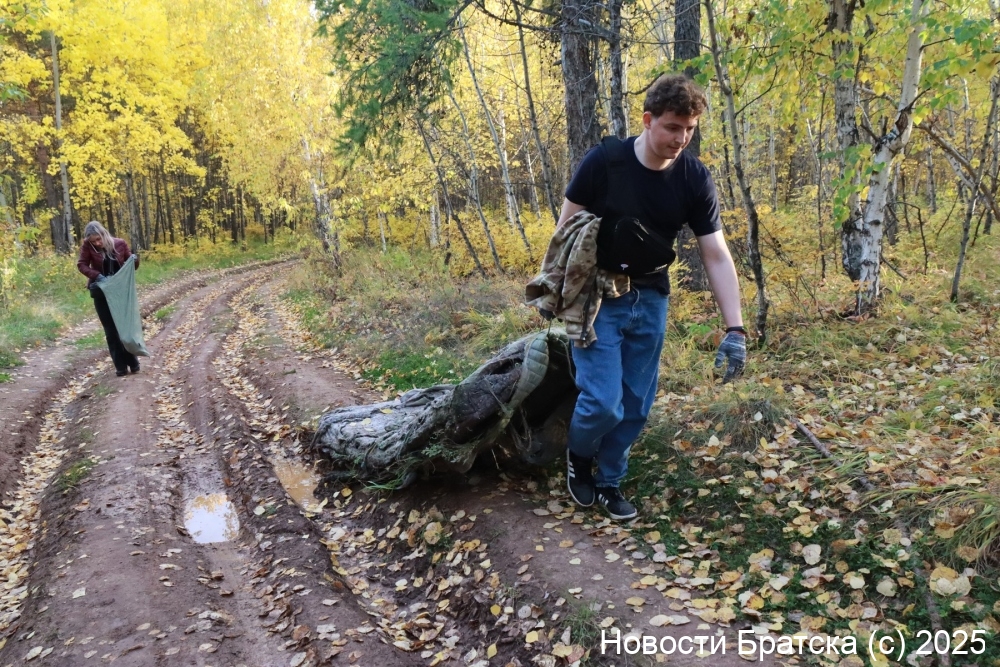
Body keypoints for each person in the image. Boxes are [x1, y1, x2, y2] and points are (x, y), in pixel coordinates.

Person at [559, 74, 747, 521]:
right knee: (603, 402)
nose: (681, 139)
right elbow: (564, 232)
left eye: (689, 129)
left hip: (651, 297)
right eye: (672, 127)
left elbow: (715, 254)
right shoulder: (604, 163)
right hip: (598, 296)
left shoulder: (693, 178)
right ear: (648, 120)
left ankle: (609, 480)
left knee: (636, 405)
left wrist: (735, 328)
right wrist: (559, 293)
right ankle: (578, 458)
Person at [76, 221, 141, 377]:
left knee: (124, 328)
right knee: (110, 331)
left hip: (120, 292)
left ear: (104, 234)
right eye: (94, 241)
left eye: (99, 239)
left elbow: (132, 266)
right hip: (101, 292)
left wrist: (135, 259)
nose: (97, 243)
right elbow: (81, 264)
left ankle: (133, 363)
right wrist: (97, 276)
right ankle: (120, 367)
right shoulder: (87, 246)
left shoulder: (120, 243)